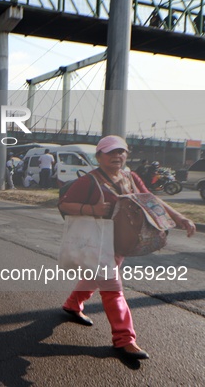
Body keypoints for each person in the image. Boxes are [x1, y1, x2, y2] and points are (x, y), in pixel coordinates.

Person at [58, 135, 196, 360]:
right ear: (99, 156)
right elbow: (64, 204)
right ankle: (125, 339)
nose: (117, 156)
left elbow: (150, 199)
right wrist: (92, 209)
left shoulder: (130, 176)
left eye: (121, 151)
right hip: (97, 240)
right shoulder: (90, 180)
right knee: (112, 287)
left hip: (121, 239)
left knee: (97, 274)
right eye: (111, 152)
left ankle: (73, 304)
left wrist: (179, 217)